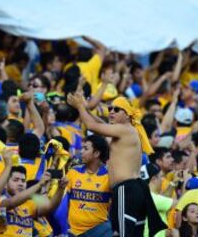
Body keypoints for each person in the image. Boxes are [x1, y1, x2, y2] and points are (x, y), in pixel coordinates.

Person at [67, 93, 166, 236]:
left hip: (126, 189)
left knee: (122, 234)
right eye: (110, 108)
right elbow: (101, 125)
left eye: (116, 109)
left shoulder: (124, 129)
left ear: (127, 115)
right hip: (134, 189)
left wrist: (80, 106)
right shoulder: (125, 131)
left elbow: (91, 126)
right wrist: (86, 110)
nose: (111, 111)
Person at [0, 165, 68, 236]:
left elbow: (50, 207)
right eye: (16, 180)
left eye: (23, 181)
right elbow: (11, 203)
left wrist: (61, 188)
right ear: (5, 184)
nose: (20, 184)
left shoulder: (29, 204)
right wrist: (39, 184)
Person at [67, 135, 112, 237]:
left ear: (96, 153)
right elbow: (64, 203)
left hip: (99, 231)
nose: (81, 151)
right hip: (73, 232)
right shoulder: (73, 172)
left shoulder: (109, 176)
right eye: (82, 148)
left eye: (85, 148)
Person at [144, 163, 175, 237]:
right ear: (154, 179)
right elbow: (179, 204)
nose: (163, 179)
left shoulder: (146, 195)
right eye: (161, 176)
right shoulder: (151, 197)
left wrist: (174, 183)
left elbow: (164, 199)